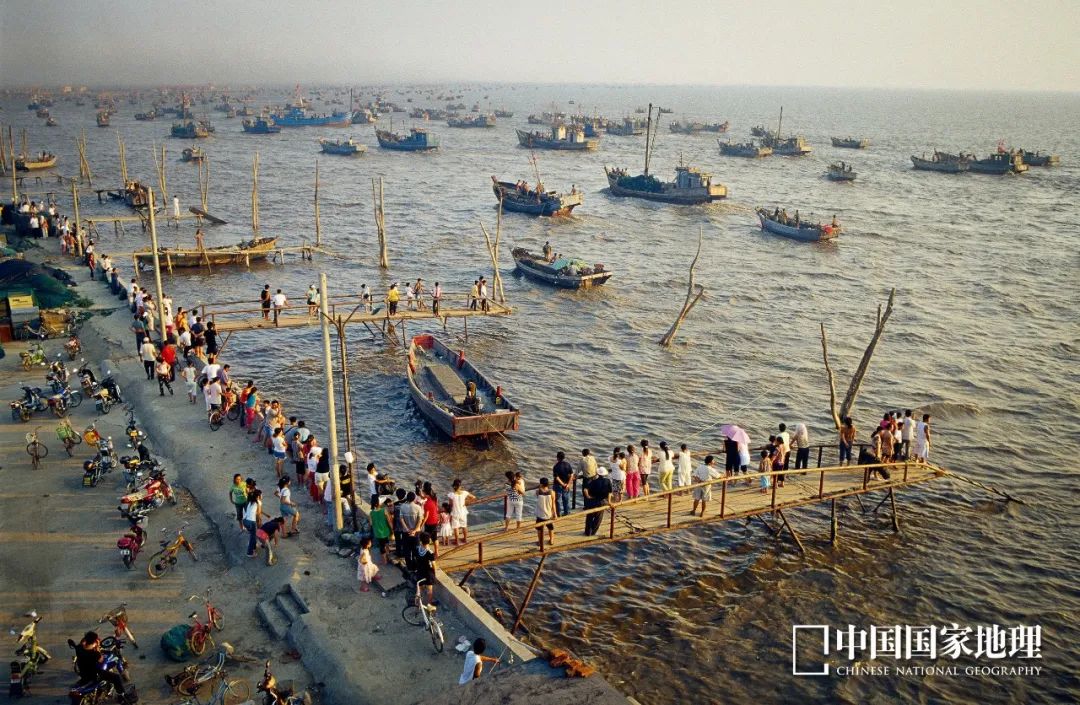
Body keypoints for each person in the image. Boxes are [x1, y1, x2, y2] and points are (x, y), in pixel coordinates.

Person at [73, 631, 129, 699]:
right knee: (116, 678)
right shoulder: (95, 654)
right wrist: (97, 648)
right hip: (95, 675)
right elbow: (101, 660)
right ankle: (121, 695)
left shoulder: (79, 648)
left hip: (82, 672)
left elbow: (82, 644)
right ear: (94, 642)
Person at [582, 467, 612, 536]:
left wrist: (588, 497)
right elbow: (609, 493)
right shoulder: (607, 481)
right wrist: (609, 502)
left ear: (598, 473)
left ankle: (587, 532)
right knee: (598, 518)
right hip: (602, 501)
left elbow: (585, 490)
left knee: (589, 517)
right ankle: (593, 532)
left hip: (592, 501)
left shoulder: (593, 481)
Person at [449, 479, 475, 545]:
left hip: (455, 513)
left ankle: (457, 541)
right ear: (460, 486)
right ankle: (465, 539)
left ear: (454, 486)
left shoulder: (451, 495)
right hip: (463, 512)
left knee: (456, 528)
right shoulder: (464, 493)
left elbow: (451, 504)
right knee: (464, 526)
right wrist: (467, 502)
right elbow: (473, 497)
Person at [414, 533, 437, 603]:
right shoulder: (429, 552)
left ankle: (417, 604)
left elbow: (415, 559)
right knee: (429, 591)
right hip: (428, 573)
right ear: (429, 541)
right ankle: (429, 605)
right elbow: (433, 564)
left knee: (419, 589)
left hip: (420, 571)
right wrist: (435, 574)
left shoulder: (417, 549)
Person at [244, 490, 266, 558]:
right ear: (258, 496)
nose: (262, 496)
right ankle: (250, 552)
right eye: (261, 494)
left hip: (245, 521)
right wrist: (259, 523)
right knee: (253, 537)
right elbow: (258, 514)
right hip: (251, 522)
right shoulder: (258, 502)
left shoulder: (250, 501)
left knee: (253, 535)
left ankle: (253, 547)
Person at [371, 497, 393, 564]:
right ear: (378, 503)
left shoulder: (371, 513)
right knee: (386, 542)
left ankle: (384, 560)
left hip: (378, 532)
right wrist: (392, 529)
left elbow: (371, 524)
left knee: (381, 545)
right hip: (385, 531)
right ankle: (388, 555)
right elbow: (389, 521)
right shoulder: (384, 510)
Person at [535, 477, 556, 549]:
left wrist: (540, 487)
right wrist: (555, 514)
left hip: (540, 515)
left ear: (541, 484)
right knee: (551, 528)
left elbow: (539, 492)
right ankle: (551, 540)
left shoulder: (537, 492)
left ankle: (540, 542)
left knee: (539, 529)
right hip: (548, 515)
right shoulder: (552, 492)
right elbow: (553, 504)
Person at [552, 451, 574, 516]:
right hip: (566, 485)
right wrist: (568, 484)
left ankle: (558, 514)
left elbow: (557, 478)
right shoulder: (568, 464)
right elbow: (572, 475)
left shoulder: (556, 466)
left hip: (558, 485)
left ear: (557, 458)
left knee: (557, 500)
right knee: (566, 499)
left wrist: (562, 484)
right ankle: (566, 512)